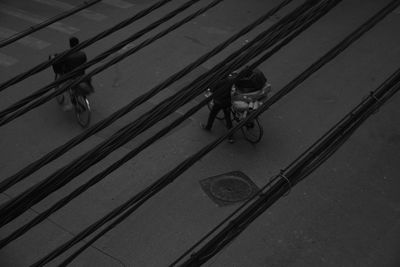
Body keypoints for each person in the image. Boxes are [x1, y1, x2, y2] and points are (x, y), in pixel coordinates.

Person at [53, 37, 93, 110]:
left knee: (63, 87)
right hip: (81, 75)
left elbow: (62, 64)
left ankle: (70, 103)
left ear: (70, 45)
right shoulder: (82, 54)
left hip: (71, 78)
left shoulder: (67, 55)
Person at [201, 75, 236, 143]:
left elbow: (211, 90)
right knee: (228, 118)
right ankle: (231, 137)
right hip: (227, 102)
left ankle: (208, 127)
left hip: (218, 102)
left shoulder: (217, 82)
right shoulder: (230, 81)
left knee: (212, 114)